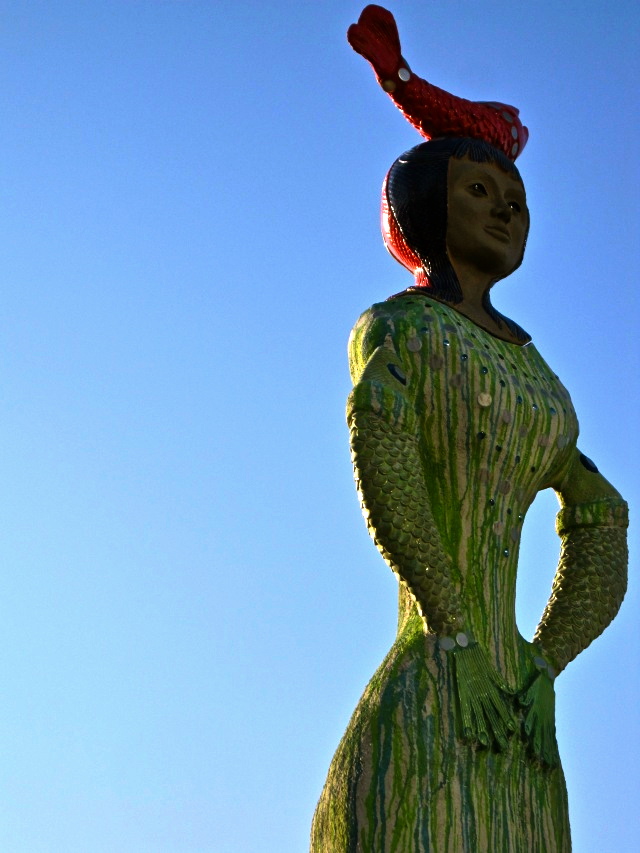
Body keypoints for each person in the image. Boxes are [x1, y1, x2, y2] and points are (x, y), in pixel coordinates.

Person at [310, 9, 628, 851]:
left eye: (515, 198)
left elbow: (604, 514)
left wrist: (546, 660)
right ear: (422, 204)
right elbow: (385, 454)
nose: (505, 209)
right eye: (479, 191)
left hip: (518, 716)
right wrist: (453, 631)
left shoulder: (539, 377)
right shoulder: (401, 329)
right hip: (434, 686)